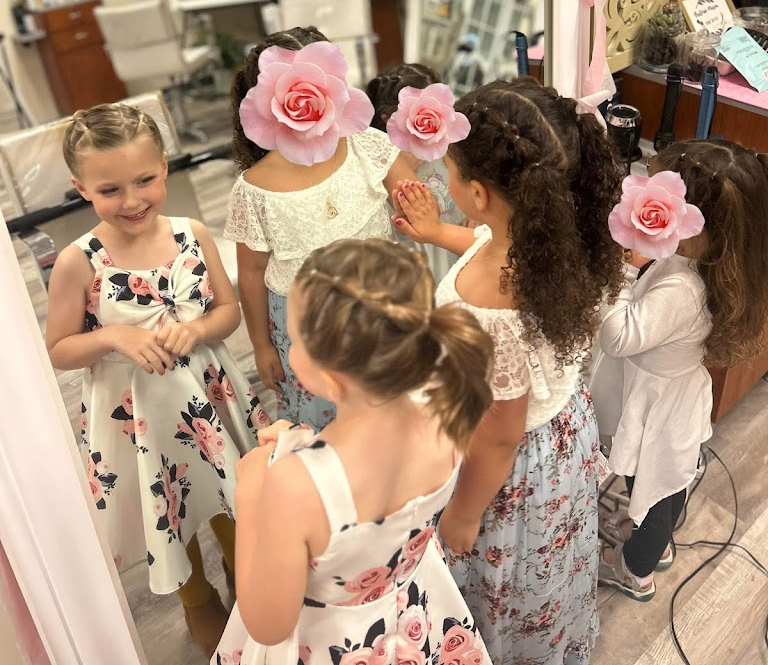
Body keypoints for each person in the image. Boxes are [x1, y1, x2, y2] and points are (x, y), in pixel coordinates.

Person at [393, 78, 625, 665]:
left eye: (448, 172)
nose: (444, 182)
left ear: (476, 193)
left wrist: (463, 514)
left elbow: (497, 436)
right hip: (560, 438)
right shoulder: (568, 234)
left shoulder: (489, 305)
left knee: (501, 583)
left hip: (505, 468)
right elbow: (483, 241)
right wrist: (436, 233)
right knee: (545, 568)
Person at [46, 103, 270, 657]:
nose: (132, 201)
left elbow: (227, 312)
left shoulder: (193, 233)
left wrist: (196, 329)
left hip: (207, 396)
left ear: (165, 166)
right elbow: (58, 348)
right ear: (81, 189)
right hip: (136, 416)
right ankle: (197, 599)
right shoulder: (79, 261)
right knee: (167, 506)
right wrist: (112, 336)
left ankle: (248, 580)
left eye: (144, 180)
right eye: (110, 190)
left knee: (231, 492)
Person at [214, 237, 496, 665]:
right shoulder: (450, 405)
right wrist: (304, 446)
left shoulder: (294, 486)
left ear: (330, 379)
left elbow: (268, 626)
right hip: (419, 612)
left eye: (294, 340)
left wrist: (251, 493)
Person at [592, 139, 768, 600]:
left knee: (652, 487)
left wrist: (623, 270)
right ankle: (658, 544)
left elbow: (617, 336)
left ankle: (637, 570)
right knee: (666, 481)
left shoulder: (684, 291)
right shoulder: (702, 264)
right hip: (671, 397)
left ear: (691, 222)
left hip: (657, 404)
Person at [226, 27, 416, 430]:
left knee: (389, 409)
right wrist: (261, 345)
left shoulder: (365, 143)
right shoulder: (254, 189)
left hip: (381, 303)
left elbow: (414, 201)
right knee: (326, 420)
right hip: (306, 326)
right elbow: (251, 272)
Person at [366, 63, 469, 281]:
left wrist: (476, 213)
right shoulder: (384, 160)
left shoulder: (451, 145)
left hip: (458, 244)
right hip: (414, 259)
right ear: (388, 118)